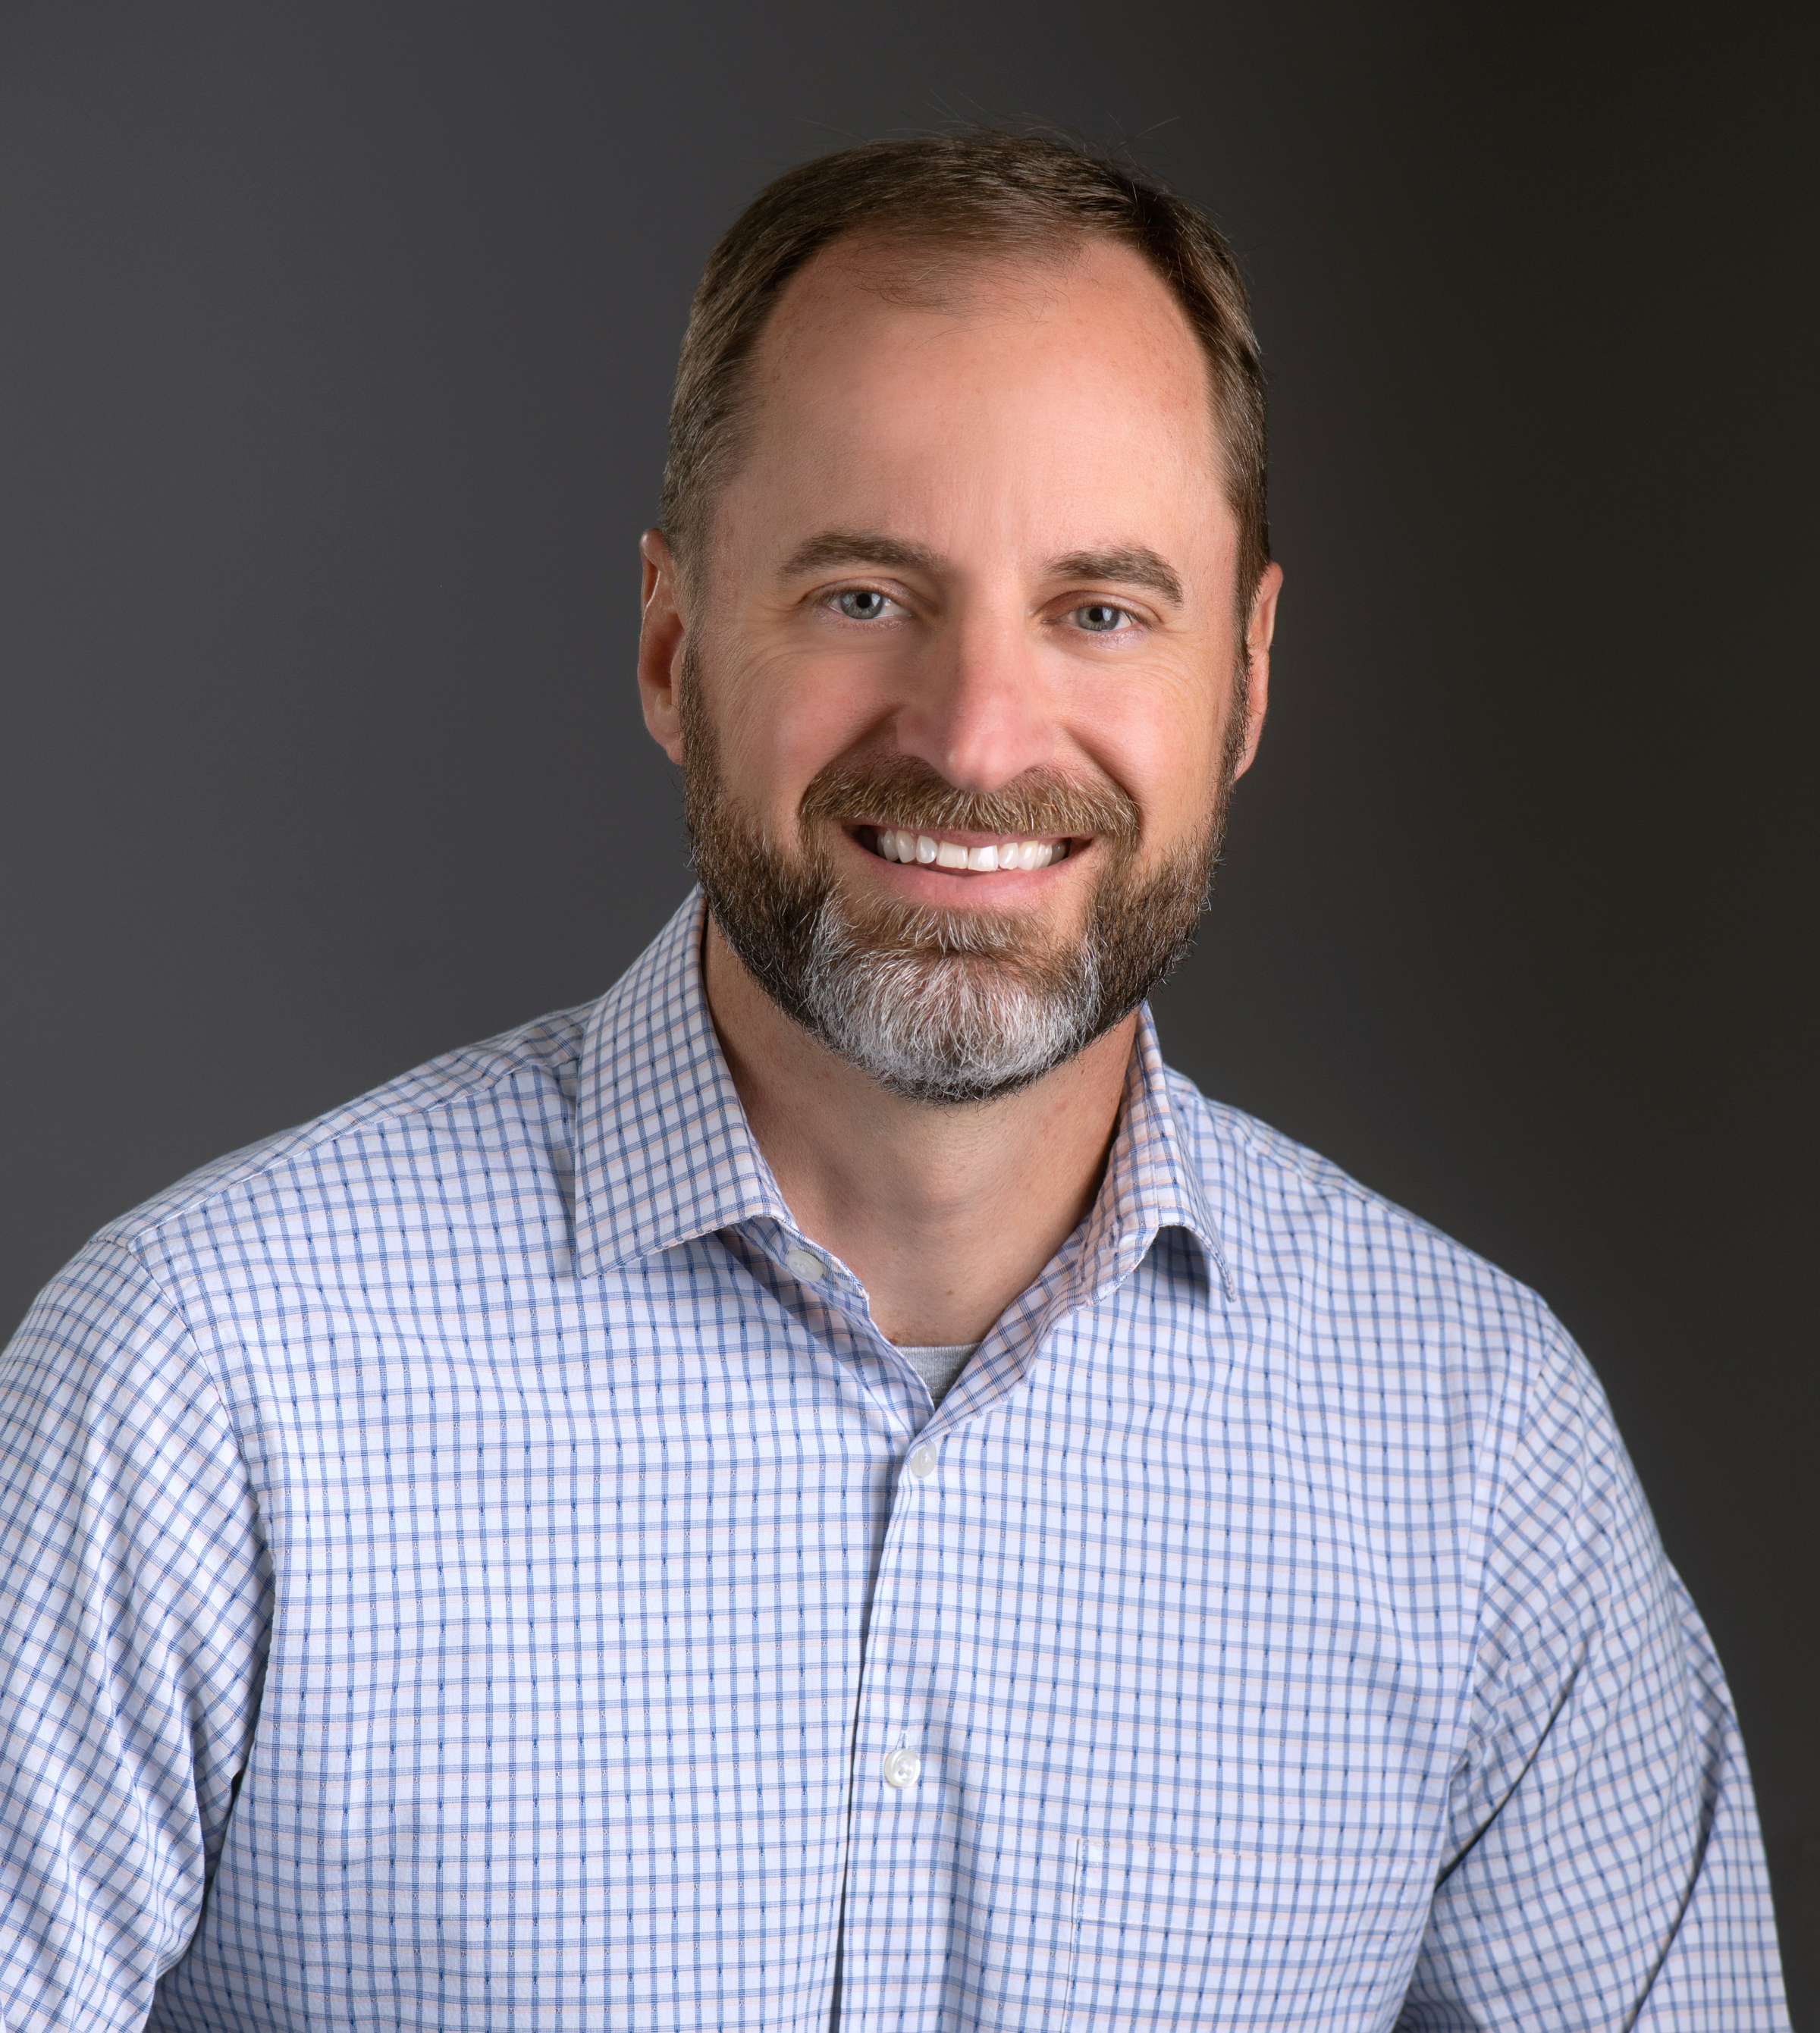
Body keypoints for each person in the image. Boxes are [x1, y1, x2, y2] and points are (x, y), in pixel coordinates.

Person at [0, 130, 1788, 2031]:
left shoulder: (1479, 1453)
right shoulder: (199, 1390)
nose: (975, 736)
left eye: (1101, 610)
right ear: (674, 642)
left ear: (1246, 682)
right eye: (864, 595)